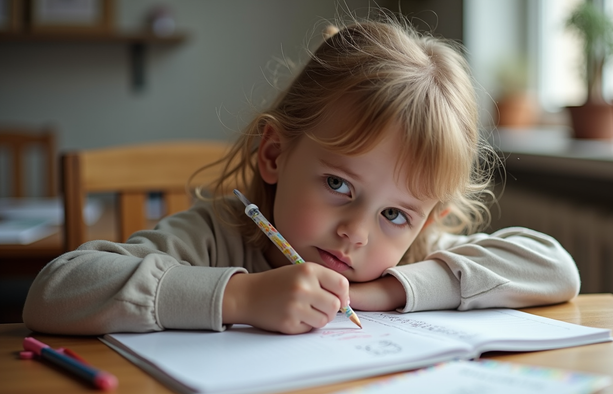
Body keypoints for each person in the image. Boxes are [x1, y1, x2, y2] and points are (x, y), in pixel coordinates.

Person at [23, 13, 580, 335]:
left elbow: (555, 268)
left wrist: (386, 291)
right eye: (339, 185)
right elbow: (55, 290)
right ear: (274, 155)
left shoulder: (415, 250)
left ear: (427, 220)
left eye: (393, 214)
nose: (357, 234)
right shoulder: (217, 235)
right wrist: (237, 299)